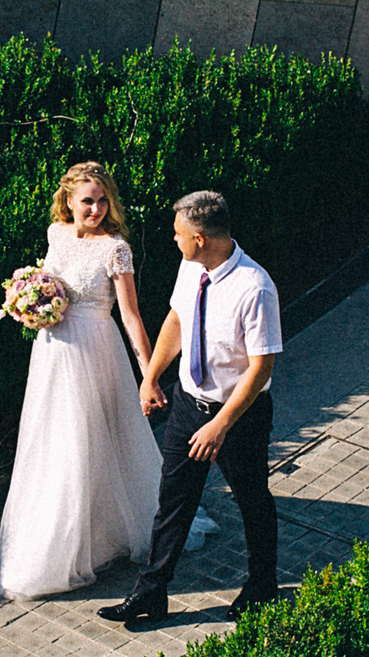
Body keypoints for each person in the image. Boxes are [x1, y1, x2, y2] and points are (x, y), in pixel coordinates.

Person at [101, 190, 281, 629]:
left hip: (238, 417)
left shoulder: (255, 287)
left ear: (199, 237)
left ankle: (262, 586)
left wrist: (221, 424)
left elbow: (261, 367)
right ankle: (151, 592)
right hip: (187, 405)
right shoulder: (191, 267)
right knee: (173, 502)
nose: (174, 240)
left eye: (178, 233)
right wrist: (151, 376)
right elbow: (177, 321)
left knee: (252, 500)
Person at [0, 162, 164, 600]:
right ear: (68, 201)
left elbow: (130, 315)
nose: (95, 208)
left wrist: (148, 375)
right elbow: (50, 282)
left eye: (102, 199)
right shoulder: (56, 234)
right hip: (53, 353)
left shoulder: (116, 249)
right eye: (87, 200)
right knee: (56, 441)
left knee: (94, 438)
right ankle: (64, 539)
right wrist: (29, 302)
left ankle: (102, 537)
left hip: (96, 351)